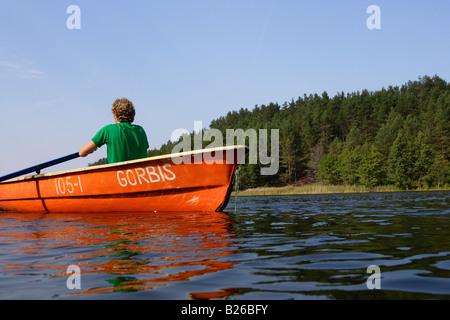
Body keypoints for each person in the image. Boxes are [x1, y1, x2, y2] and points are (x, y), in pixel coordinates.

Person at [79, 98, 149, 164]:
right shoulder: (141, 130)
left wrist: (91, 150)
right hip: (140, 175)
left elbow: (82, 153)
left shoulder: (108, 130)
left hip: (117, 175)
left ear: (115, 115)